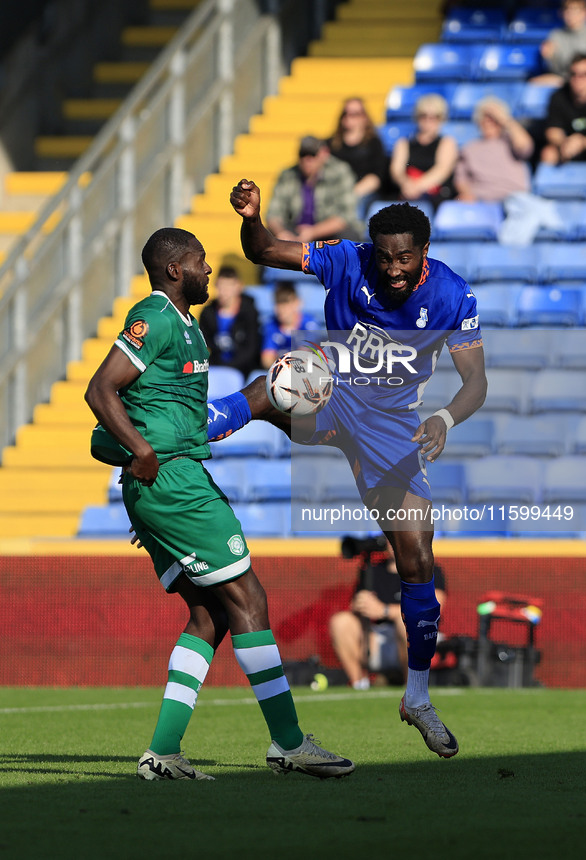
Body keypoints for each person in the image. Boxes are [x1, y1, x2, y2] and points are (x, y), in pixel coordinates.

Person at [213, 179, 489, 759]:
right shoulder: (346, 259)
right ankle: (195, 430)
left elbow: (475, 382)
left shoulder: (452, 296)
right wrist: (253, 216)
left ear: (424, 253)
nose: (392, 268)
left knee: (417, 560)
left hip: (394, 429)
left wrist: (443, 418)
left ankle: (417, 697)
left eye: (404, 257)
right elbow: (264, 250)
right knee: (283, 380)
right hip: (333, 396)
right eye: (385, 256)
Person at [85, 227, 354, 781]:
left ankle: (162, 752)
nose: (210, 271)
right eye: (201, 262)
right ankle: (289, 742)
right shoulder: (155, 317)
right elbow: (99, 388)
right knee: (247, 597)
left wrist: (276, 408)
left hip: (171, 478)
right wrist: (140, 456)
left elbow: (181, 417)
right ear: (176, 269)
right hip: (172, 481)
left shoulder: (191, 330)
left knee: (208, 615)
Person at [330, 540, 447, 691]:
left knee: (405, 620)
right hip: (377, 638)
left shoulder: (427, 570)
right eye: (391, 538)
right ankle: (359, 684)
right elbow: (356, 608)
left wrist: (384, 610)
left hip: (416, 638)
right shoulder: (373, 571)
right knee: (340, 621)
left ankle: (413, 689)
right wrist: (361, 604)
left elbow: (431, 608)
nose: (396, 543)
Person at [266, 134, 364, 243]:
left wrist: (312, 232)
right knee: (267, 236)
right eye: (303, 154)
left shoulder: (340, 172)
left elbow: (345, 217)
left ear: (324, 154)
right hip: (295, 231)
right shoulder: (287, 175)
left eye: (312, 154)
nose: (307, 159)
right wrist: (281, 233)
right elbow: (273, 214)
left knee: (348, 237)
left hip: (328, 233)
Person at [453, 96, 535, 202]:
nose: (488, 122)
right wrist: (466, 193)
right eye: (484, 118)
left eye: (493, 118)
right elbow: (461, 179)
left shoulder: (511, 141)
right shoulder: (469, 148)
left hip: (514, 198)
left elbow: (525, 147)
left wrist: (506, 120)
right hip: (482, 200)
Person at [389, 93, 458, 211]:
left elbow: (442, 170)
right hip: (408, 195)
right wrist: (406, 185)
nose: (428, 120)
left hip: (435, 198)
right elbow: (397, 171)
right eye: (423, 115)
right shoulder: (404, 143)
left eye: (434, 116)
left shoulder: (447, 143)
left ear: (441, 118)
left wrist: (417, 187)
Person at [326, 96, 389, 217]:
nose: (349, 117)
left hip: (362, 193)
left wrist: (351, 194)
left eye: (355, 114)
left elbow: (376, 178)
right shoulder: (331, 144)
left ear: (364, 117)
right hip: (335, 192)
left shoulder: (373, 143)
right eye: (346, 113)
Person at [198, 265, 261, 380]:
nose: (224, 292)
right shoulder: (208, 313)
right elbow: (202, 345)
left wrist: (228, 368)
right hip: (215, 368)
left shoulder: (250, 312)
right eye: (221, 287)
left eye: (228, 287)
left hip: (244, 370)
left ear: (238, 287)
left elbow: (251, 349)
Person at [539, 52, 586, 163]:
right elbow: (552, 131)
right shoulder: (559, 96)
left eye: (585, 74)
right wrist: (565, 143)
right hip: (567, 149)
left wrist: (583, 142)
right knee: (548, 153)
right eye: (574, 74)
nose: (578, 79)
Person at [260, 281, 320, 369]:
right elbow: (266, 360)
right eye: (278, 304)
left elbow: (304, 356)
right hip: (280, 371)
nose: (281, 309)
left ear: (297, 303)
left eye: (286, 303)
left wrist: (280, 360)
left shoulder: (309, 324)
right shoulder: (271, 325)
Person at [532, 0, 586, 87]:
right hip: (562, 79)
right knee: (534, 83)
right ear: (561, 13)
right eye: (568, 11)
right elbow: (555, 69)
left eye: (576, 10)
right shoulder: (555, 35)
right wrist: (549, 57)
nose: (571, 15)